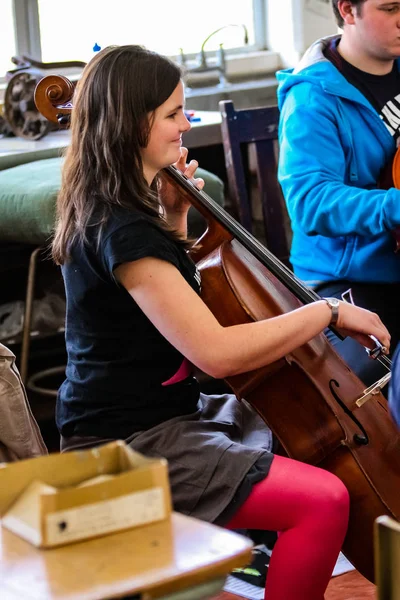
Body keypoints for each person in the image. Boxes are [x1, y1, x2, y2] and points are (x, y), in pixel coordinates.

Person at [53, 44, 390, 600]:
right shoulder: (124, 231)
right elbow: (217, 353)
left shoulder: (121, 210)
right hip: (128, 441)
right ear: (131, 124)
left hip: (166, 415)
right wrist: (326, 310)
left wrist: (178, 217)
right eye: (173, 114)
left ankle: (240, 559)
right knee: (322, 500)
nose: (187, 123)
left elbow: (167, 308)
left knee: (293, 437)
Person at [276, 0, 400, 390]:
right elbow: (311, 201)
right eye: (392, 7)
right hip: (350, 277)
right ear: (348, 9)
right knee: (376, 385)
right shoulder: (312, 99)